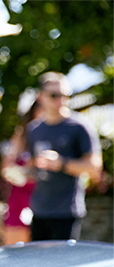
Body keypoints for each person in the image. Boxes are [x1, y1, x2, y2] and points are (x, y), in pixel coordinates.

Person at [25, 72, 102, 241]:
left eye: (66, 95)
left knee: (62, 265)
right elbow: (32, 167)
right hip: (39, 211)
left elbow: (94, 168)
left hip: (66, 212)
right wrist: (21, 172)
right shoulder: (34, 129)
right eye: (54, 95)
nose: (61, 100)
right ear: (41, 97)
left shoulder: (79, 126)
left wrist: (61, 164)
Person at [0, 101, 42, 245]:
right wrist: (24, 172)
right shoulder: (21, 136)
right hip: (20, 200)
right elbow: (6, 167)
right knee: (16, 255)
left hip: (46, 201)